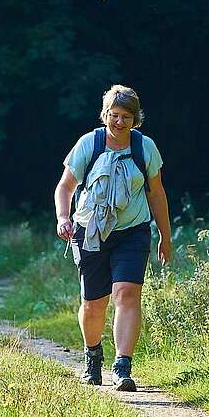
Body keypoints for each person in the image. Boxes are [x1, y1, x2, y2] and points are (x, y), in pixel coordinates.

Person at [54, 85, 170, 392]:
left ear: (136, 119)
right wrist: (63, 217)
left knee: (127, 293)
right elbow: (65, 187)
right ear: (105, 114)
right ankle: (93, 357)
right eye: (114, 115)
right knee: (94, 304)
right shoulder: (88, 144)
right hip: (91, 231)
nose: (119, 122)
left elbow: (156, 194)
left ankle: (122, 365)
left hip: (133, 231)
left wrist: (165, 237)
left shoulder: (144, 148)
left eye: (126, 116)